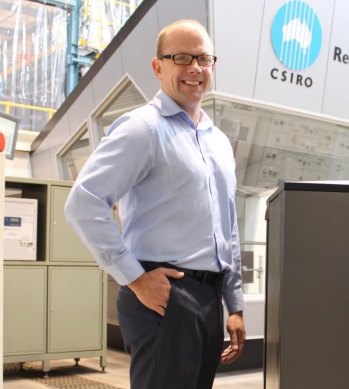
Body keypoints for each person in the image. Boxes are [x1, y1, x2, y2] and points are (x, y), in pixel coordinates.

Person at [64, 19, 245, 389]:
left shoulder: (218, 142)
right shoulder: (142, 129)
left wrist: (234, 301)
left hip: (209, 298)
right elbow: (84, 202)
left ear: (213, 66)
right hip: (163, 295)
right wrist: (134, 278)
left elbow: (228, 227)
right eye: (181, 57)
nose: (194, 67)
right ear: (158, 66)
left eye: (203, 58)